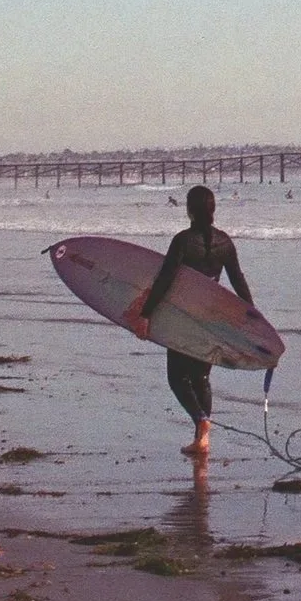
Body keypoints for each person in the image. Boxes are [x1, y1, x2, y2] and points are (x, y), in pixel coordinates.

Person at [120, 185, 254, 459]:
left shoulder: (182, 241)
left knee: (176, 378)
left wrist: (145, 315)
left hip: (183, 318)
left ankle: (200, 421)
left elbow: (165, 280)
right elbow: (238, 280)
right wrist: (252, 316)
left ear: (189, 210)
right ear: (213, 210)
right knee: (201, 376)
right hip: (210, 320)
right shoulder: (225, 242)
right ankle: (201, 438)